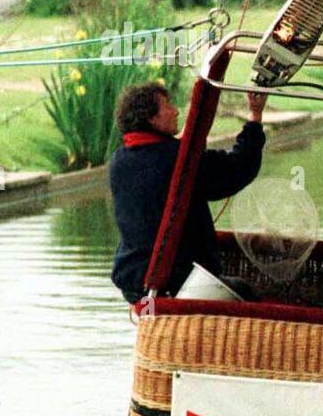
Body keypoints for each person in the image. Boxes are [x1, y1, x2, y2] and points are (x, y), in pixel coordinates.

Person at [109, 82, 267, 303]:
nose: (176, 111)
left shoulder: (120, 160)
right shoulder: (178, 161)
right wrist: (255, 116)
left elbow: (162, 156)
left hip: (135, 281)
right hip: (178, 282)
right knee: (246, 293)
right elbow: (238, 168)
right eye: (168, 106)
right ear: (151, 118)